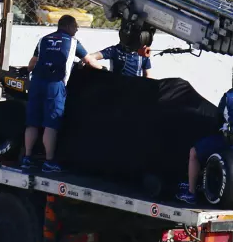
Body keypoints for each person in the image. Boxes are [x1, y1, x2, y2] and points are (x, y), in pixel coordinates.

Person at [176, 64, 233, 205]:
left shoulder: (228, 96)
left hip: (231, 142)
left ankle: (191, 192)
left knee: (194, 152)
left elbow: (218, 120)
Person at [22, 15, 101, 173]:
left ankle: (27, 158)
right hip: (55, 84)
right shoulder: (73, 42)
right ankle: (49, 161)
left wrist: (27, 71)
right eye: (76, 26)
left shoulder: (43, 40)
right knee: (51, 124)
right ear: (68, 26)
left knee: (32, 122)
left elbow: (32, 63)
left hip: (36, 82)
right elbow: (90, 61)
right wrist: (103, 70)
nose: (77, 29)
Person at [87, 41, 152, 77]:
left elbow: (147, 75)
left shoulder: (143, 53)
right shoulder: (115, 50)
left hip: (135, 89)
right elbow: (90, 57)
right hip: (117, 88)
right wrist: (102, 69)